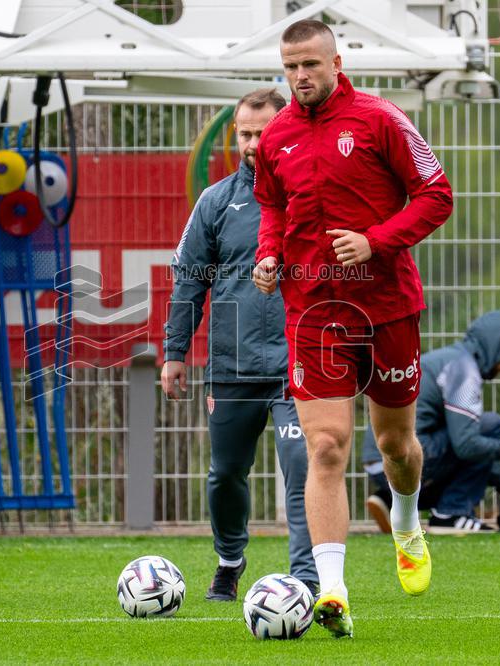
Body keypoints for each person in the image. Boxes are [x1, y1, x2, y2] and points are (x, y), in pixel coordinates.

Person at [252, 20, 453, 637]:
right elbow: (273, 205)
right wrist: (269, 253)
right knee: (326, 446)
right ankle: (332, 589)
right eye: (290, 67)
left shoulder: (380, 119)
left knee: (396, 446)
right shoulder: (277, 136)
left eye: (310, 64)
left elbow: (436, 194)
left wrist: (375, 241)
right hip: (312, 312)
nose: (300, 77)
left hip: (387, 308)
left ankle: (406, 519)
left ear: (337, 61)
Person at [162, 88, 318, 601]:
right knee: (226, 474)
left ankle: (307, 579)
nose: (254, 144)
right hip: (232, 365)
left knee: (303, 471)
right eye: (246, 134)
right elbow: (188, 281)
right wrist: (174, 354)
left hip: (300, 361)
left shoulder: (312, 195)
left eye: (263, 132)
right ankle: (229, 561)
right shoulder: (215, 202)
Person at [362, 311, 500, 534]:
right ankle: (451, 514)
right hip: (399, 457)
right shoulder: (464, 371)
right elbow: (467, 445)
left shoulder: (451, 359)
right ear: (495, 347)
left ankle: (389, 499)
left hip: (381, 462)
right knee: (491, 426)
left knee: (477, 433)